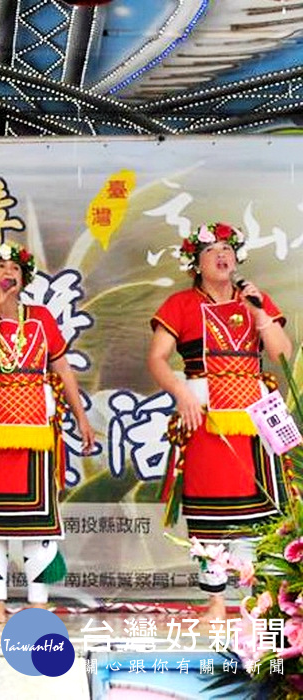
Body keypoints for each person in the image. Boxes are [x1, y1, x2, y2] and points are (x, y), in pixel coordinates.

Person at [149, 222, 292, 623]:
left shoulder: (256, 300)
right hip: (206, 417)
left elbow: (281, 355)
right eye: (212, 250)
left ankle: (251, 600)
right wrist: (182, 394)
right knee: (209, 516)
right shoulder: (179, 305)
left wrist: (259, 312)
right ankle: (214, 601)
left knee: (254, 516)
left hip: (253, 421)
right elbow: (157, 358)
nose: (222, 255)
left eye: (227, 248)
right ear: (196, 262)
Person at [0, 241, 94, 624]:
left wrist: (81, 417)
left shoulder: (42, 317)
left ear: (25, 277)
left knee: (39, 521)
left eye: (14, 267)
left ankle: (38, 602)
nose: (7, 272)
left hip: (37, 433)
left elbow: (63, 371)